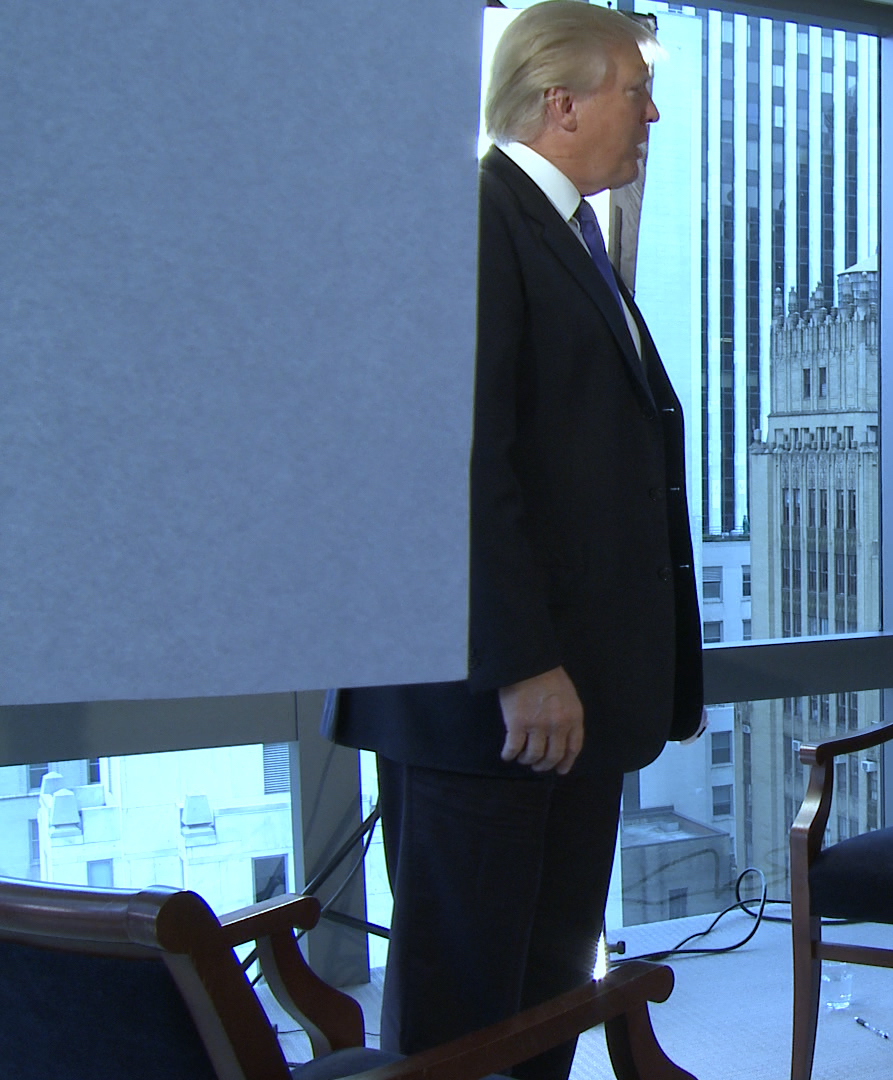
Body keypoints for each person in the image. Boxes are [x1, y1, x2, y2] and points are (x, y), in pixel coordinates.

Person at [324, 5, 701, 1078]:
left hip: (560, 708)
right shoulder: (468, 220)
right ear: (562, 102)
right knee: (469, 1008)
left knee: (543, 999)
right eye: (636, 89)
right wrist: (523, 662)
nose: (653, 111)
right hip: (487, 703)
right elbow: (446, 462)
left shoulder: (564, 234)